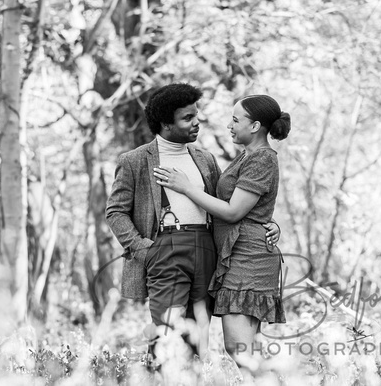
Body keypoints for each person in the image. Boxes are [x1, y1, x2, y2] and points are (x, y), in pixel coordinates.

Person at [105, 84, 280, 359]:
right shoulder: (135, 160)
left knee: (197, 338)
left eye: (196, 115)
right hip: (164, 248)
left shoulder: (205, 159)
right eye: (188, 118)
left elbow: (233, 203)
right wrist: (145, 250)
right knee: (167, 333)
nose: (197, 122)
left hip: (208, 250)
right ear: (165, 124)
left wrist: (269, 224)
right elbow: (115, 211)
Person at [154, 94, 289, 369]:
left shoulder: (261, 159)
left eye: (236, 119)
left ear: (254, 126)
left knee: (239, 348)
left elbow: (232, 211)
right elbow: (252, 205)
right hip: (236, 253)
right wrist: (271, 221)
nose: (229, 125)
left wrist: (186, 187)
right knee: (246, 346)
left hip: (249, 257)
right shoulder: (246, 157)